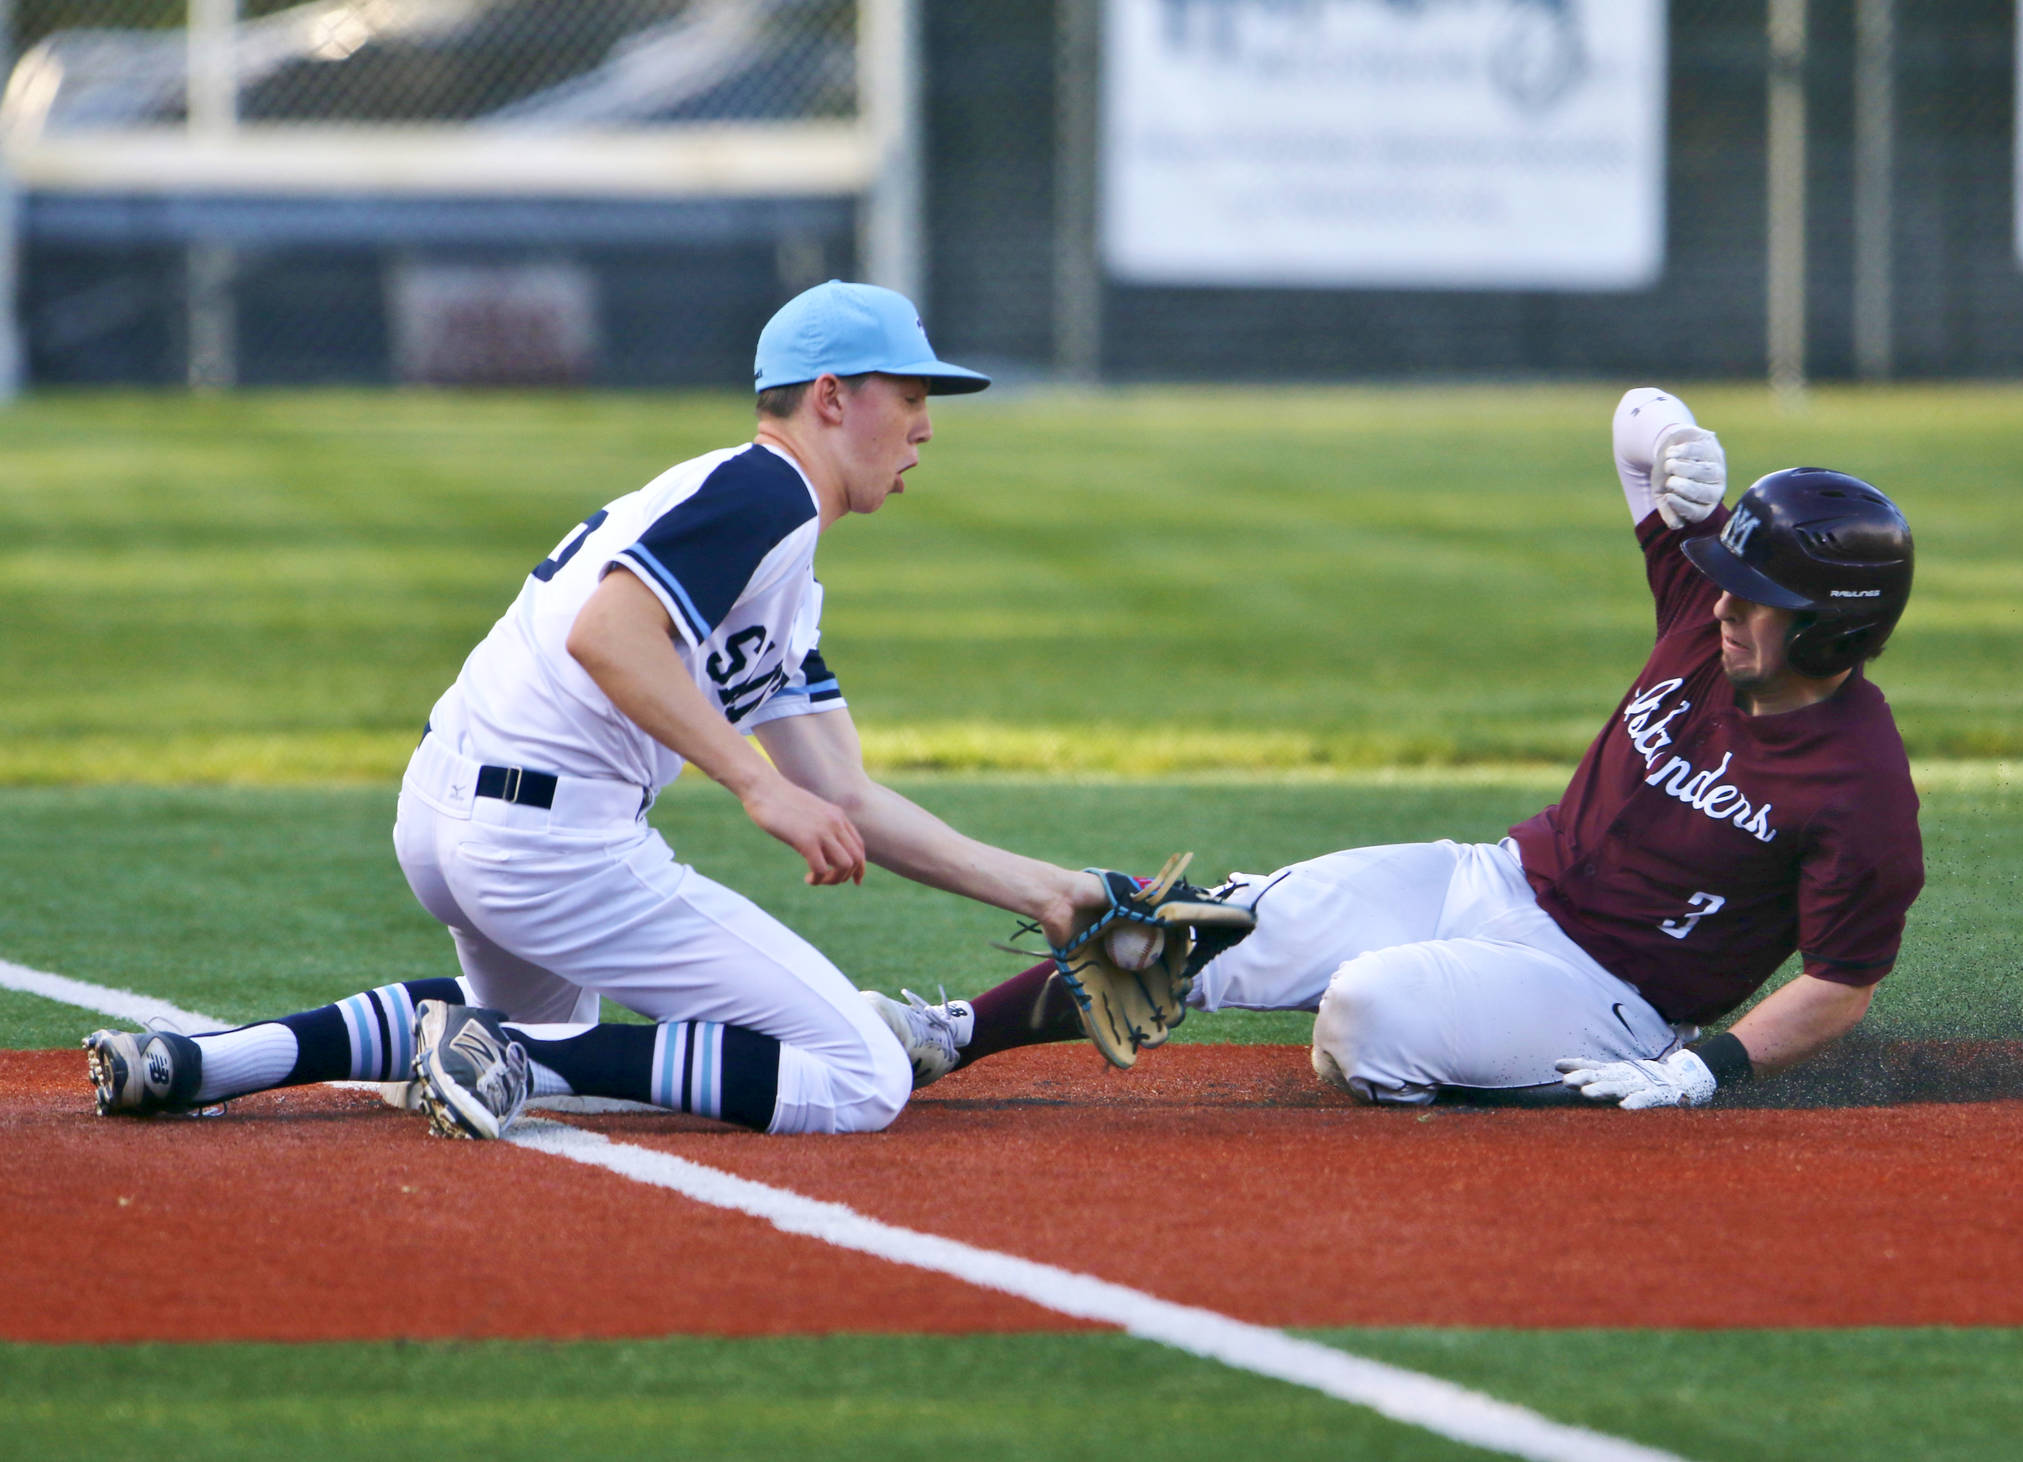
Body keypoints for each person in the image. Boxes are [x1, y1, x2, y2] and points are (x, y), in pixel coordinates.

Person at [86, 280, 1117, 1138]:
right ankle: (516, 1055)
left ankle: (201, 1060)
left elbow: (842, 790)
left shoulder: (774, 557)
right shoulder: (768, 493)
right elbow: (610, 635)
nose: (927, 424)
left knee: (519, 1024)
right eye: (908, 392)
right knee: (859, 1077)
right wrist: (755, 786)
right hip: (551, 842)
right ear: (830, 396)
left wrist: (1047, 891)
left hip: (452, 817)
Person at [872, 388, 1923, 1108]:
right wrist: (1680, 440)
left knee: (1366, 1013)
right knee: (1195, 928)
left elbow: (1841, 980)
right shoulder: (1706, 610)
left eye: (1762, 599)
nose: (1728, 606)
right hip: (1493, 874)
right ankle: (948, 1035)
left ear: (1833, 628)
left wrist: (1708, 1069)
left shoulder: (1858, 784)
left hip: (1610, 993)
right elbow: (1632, 422)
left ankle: (1549, 1071)